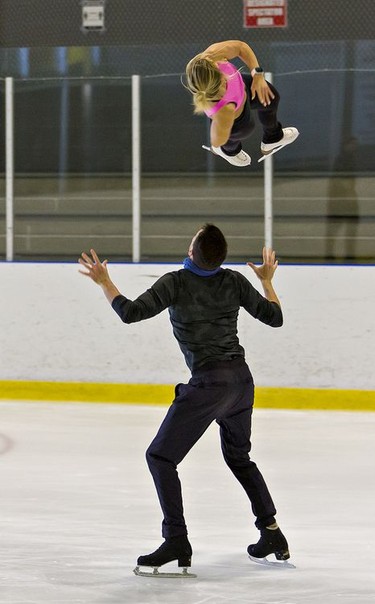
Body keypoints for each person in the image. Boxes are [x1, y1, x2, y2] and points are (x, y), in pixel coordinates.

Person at [78, 224, 291, 576]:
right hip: (240, 382)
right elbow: (276, 317)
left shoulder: (175, 282)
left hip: (209, 384)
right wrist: (267, 281)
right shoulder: (235, 281)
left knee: (160, 456)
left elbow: (130, 312)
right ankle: (271, 533)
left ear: (192, 252)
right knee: (239, 457)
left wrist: (104, 282)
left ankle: (177, 540)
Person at [184, 39, 299, 166]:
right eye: (218, 67)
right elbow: (217, 140)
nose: (219, 63)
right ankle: (229, 152)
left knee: (271, 98)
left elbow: (241, 47)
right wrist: (218, 138)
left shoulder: (211, 56)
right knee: (244, 131)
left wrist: (257, 75)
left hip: (242, 88)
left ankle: (273, 137)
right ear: (218, 81)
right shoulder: (224, 110)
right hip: (236, 116)